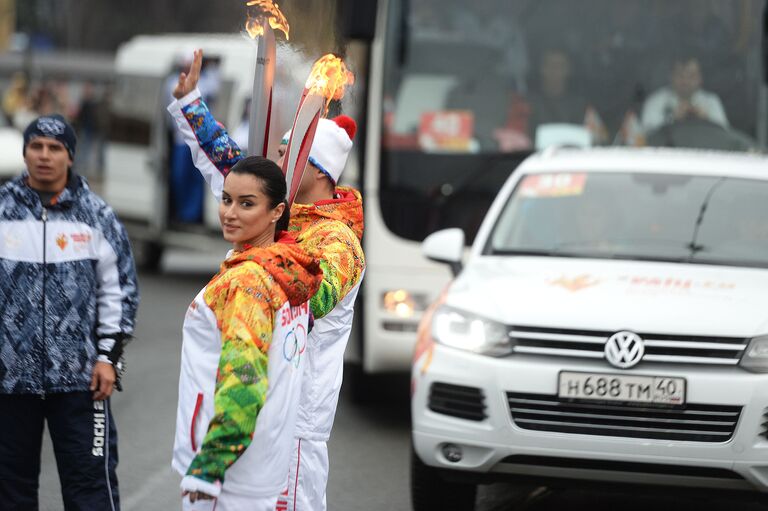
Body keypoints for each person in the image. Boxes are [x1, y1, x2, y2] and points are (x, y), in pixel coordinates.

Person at [168, 49, 365, 511]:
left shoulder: (337, 242)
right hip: (250, 398)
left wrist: (255, 271)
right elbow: (235, 170)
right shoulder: (282, 214)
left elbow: (311, 296)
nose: (277, 160)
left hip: (295, 421)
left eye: (285, 151)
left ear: (314, 168)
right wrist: (191, 104)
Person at [0, 114, 139, 510]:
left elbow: (120, 292)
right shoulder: (3, 209)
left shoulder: (97, 217)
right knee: (10, 489)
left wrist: (108, 358)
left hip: (80, 382)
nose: (45, 156)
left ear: (70, 156)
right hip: (9, 382)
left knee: (90, 488)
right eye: (37, 146)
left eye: (55, 148)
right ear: (25, 151)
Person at [172, 156, 323, 509]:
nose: (230, 212)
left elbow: (244, 379)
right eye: (226, 199)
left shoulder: (247, 284)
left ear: (277, 212)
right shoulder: (288, 271)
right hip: (265, 462)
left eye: (247, 203)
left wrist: (211, 464)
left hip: (228, 472)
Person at [641, 56, 728, 134]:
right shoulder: (656, 101)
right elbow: (646, 136)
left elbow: (726, 136)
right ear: (671, 76)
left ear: (700, 78)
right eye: (680, 75)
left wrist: (706, 120)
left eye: (691, 76)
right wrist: (672, 119)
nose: (685, 81)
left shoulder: (711, 101)